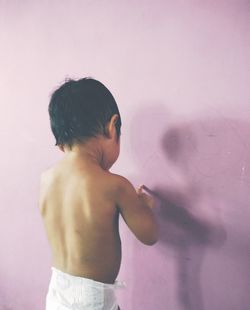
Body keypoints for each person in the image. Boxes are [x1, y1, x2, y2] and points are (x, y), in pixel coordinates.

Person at [39, 77, 158, 309]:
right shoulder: (115, 185)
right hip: (92, 302)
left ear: (61, 142)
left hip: (56, 295)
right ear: (112, 127)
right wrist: (145, 206)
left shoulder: (46, 179)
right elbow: (149, 235)